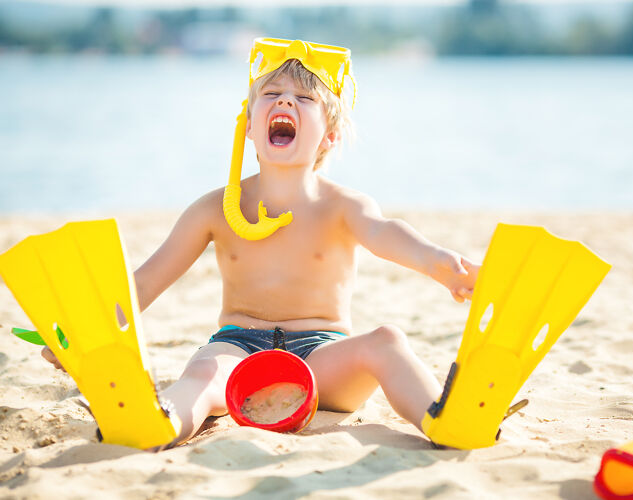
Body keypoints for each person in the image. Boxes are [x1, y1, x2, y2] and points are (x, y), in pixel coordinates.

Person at [42, 38, 480, 448]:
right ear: (249, 125)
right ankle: (163, 421)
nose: (286, 101)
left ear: (329, 136)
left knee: (387, 340)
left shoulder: (343, 206)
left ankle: (440, 417)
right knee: (205, 371)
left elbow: (387, 233)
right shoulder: (214, 209)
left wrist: (438, 263)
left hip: (322, 357)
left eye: (305, 99)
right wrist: (82, 336)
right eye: (271, 95)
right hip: (239, 350)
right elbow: (146, 283)